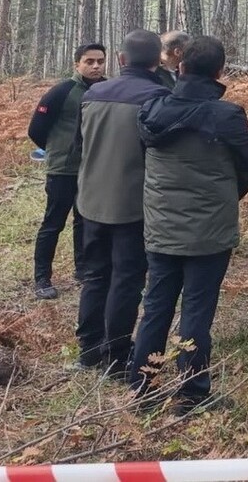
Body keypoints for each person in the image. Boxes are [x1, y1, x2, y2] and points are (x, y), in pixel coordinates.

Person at [129, 36, 248, 415]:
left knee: (155, 308)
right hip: (209, 233)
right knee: (197, 313)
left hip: (162, 228)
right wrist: (223, 198)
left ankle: (142, 389)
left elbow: (145, 158)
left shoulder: (152, 110)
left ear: (180, 66)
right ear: (220, 72)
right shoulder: (227, 116)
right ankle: (191, 394)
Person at [75, 30, 170, 375]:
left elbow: (78, 147)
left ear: (120, 59)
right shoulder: (158, 98)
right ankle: (115, 355)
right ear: (157, 60)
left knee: (95, 275)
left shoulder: (92, 94)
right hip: (133, 206)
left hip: (91, 202)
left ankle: (88, 349)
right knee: (127, 280)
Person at [27, 43, 107, 300]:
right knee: (53, 223)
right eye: (89, 61)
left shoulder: (108, 89)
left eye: (100, 61)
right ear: (77, 64)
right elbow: (36, 129)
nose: (96, 66)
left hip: (93, 170)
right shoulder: (62, 92)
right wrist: (59, 150)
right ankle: (42, 278)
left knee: (85, 222)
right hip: (63, 170)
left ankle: (83, 270)